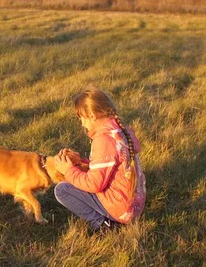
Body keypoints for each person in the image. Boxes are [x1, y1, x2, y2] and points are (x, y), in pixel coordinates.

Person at [53, 87, 146, 231]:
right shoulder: (120, 132)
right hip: (135, 205)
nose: (82, 124)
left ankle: (104, 225)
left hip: (120, 209)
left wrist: (69, 170)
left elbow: (94, 184)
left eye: (81, 118)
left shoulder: (103, 140)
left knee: (62, 189)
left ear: (91, 115)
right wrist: (80, 164)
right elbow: (107, 170)